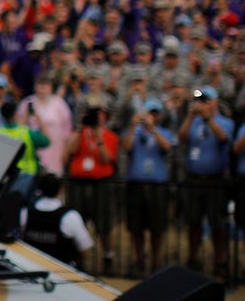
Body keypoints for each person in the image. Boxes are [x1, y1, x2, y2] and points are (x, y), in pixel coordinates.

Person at [178, 85, 234, 277]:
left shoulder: (224, 121)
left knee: (217, 223)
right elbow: (181, 137)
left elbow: (222, 137)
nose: (202, 104)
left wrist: (208, 118)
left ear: (215, 102)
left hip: (215, 180)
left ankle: (220, 261)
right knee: (193, 222)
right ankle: (193, 259)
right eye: (200, 100)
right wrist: (190, 116)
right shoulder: (193, 122)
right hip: (194, 179)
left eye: (206, 100)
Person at [64, 96, 119, 274]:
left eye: (100, 114)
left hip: (100, 184)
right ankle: (77, 259)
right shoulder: (78, 134)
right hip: (78, 184)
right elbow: (70, 152)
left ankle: (108, 258)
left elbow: (106, 158)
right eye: (92, 113)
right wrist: (81, 130)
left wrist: (98, 137)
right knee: (78, 221)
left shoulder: (110, 136)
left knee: (103, 223)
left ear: (106, 116)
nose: (97, 117)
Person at [123, 98, 174, 277]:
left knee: (157, 228)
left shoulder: (164, 132)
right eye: (149, 113)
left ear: (159, 116)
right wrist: (131, 127)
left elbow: (167, 147)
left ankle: (157, 262)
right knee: (136, 227)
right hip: (136, 185)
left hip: (157, 187)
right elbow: (126, 147)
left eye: (155, 113)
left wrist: (153, 130)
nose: (151, 116)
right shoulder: (134, 132)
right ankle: (138, 261)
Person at [20, 173, 95, 271]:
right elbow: (85, 247)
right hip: (62, 272)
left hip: (31, 270)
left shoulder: (25, 212)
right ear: (61, 190)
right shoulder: (70, 216)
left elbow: (20, 238)